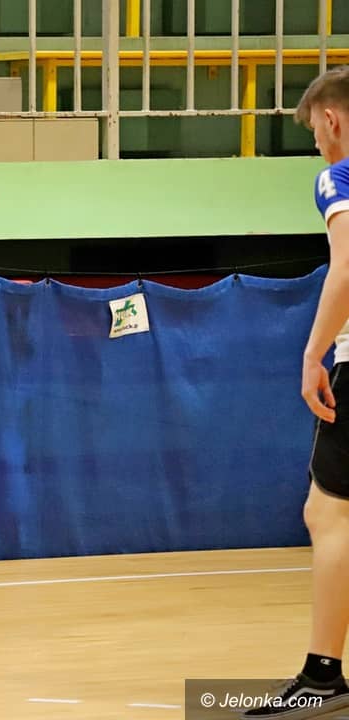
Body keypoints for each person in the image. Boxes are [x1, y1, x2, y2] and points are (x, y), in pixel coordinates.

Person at [242, 67, 349, 718]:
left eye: (314, 133)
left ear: (331, 120)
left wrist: (314, 353)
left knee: (329, 513)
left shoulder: (339, 177)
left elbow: (348, 266)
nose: (317, 145)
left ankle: (323, 675)